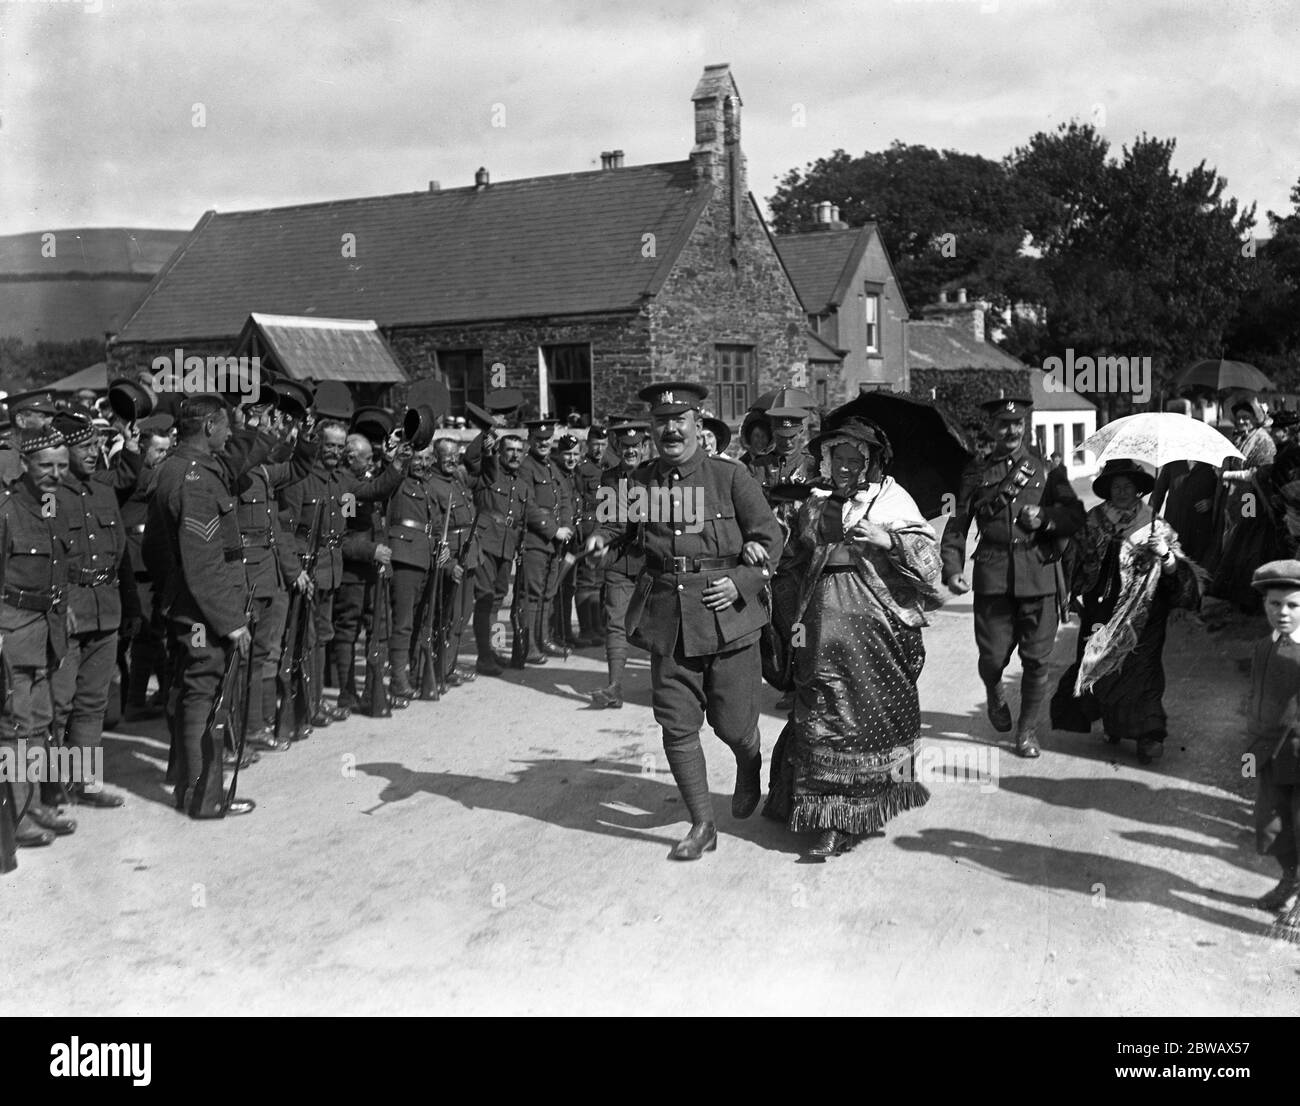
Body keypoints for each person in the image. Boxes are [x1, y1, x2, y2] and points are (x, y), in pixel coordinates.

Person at [585, 382, 782, 861]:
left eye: (679, 420)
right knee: (675, 724)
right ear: (652, 429)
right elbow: (614, 524)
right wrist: (598, 539)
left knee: (734, 726)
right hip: (666, 620)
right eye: (661, 422)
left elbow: (770, 539)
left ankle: (749, 760)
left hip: (727, 619)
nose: (670, 429)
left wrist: (742, 582)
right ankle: (702, 823)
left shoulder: (730, 478)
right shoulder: (640, 483)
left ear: (698, 422)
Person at [763, 417, 942, 858]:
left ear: (871, 462)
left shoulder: (892, 500)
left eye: (853, 460)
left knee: (863, 719)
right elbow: (793, 558)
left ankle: (844, 820)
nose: (843, 468)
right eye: (837, 459)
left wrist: (887, 540)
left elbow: (929, 563)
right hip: (821, 627)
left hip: (877, 629)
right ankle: (811, 807)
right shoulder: (816, 501)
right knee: (820, 711)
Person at [940, 396, 1084, 757]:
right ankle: (994, 691)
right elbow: (957, 525)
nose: (1011, 430)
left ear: (1025, 425)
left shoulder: (1047, 470)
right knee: (991, 659)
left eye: (1017, 423)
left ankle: (1026, 731)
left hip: (1039, 574)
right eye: (1003, 424)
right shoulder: (975, 474)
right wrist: (953, 568)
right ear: (991, 427)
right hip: (993, 576)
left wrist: (1047, 518)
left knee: (1037, 660)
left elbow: (1075, 516)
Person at [1050, 459, 1204, 765]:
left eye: (1128, 486)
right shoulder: (1093, 521)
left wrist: (1165, 555)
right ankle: (1114, 723)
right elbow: (1072, 558)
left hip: (1146, 610)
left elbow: (1183, 576)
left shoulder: (1157, 525)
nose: (1122, 492)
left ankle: (1150, 734)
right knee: (1104, 665)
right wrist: (1070, 594)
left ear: (1138, 491)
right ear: (1107, 490)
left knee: (1143, 669)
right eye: (1115, 487)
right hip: (1102, 608)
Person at [147, 396, 256, 819]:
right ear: (209, 425)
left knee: (191, 692)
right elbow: (204, 560)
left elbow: (159, 549)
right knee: (205, 694)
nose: (229, 434)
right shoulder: (194, 477)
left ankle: (188, 787)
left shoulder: (174, 468)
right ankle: (203, 796)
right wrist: (230, 622)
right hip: (203, 611)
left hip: (185, 604)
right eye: (225, 426)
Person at [50, 409, 140, 808]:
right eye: (85, 446)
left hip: (106, 607)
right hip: (68, 608)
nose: (93, 452)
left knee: (92, 701)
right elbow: (44, 556)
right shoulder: (49, 494)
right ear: (63, 449)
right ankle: (47, 790)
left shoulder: (103, 491)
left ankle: (84, 782)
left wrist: (131, 607)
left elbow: (121, 555)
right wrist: (58, 602)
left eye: (97, 445)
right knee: (58, 702)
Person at [0, 428, 78, 848]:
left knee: (38, 723)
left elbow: (56, 566)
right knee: (14, 728)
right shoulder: (6, 509)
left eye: (62, 465)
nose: (55, 473)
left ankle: (31, 805)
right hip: (12, 633)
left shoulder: (50, 507)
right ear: (25, 465)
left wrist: (63, 611)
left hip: (45, 631)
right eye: (46, 465)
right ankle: (15, 818)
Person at [1242, 560, 1300, 931]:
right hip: (1269, 753)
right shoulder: (1264, 647)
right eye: (1274, 604)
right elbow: (1257, 702)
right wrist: (1251, 751)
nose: (1282, 613)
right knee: (1271, 824)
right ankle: (1289, 880)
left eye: (1293, 605)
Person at [589, 421, 648, 708]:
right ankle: (614, 686)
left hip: (653, 562)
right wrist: (599, 537)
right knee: (615, 622)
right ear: (618, 448)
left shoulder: (657, 474)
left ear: (644, 447)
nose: (631, 452)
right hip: (620, 561)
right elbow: (606, 520)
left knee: (662, 623)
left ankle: (671, 686)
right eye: (625, 447)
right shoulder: (608, 478)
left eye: (635, 447)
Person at [464, 431, 529, 676]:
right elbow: (471, 459)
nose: (515, 455)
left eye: (518, 450)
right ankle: (484, 656)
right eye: (510, 450)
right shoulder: (488, 472)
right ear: (500, 452)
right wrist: (485, 437)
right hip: (485, 541)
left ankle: (495, 649)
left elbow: (525, 515)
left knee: (499, 599)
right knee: (486, 598)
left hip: (507, 545)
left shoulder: (522, 484)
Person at [519, 418, 576, 663]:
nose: (543, 443)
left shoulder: (552, 467)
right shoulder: (526, 468)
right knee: (532, 595)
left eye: (547, 440)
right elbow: (527, 506)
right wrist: (554, 530)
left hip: (555, 543)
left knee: (548, 593)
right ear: (530, 440)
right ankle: (530, 646)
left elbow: (565, 498)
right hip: (535, 541)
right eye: (538, 440)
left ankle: (544, 639)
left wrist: (566, 525)